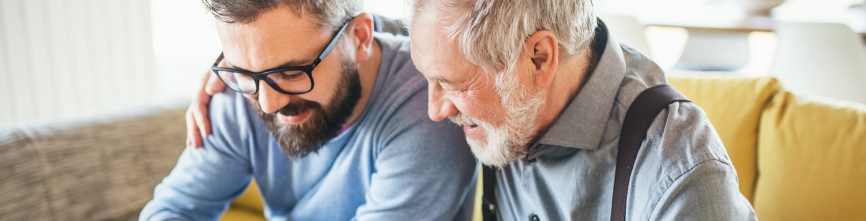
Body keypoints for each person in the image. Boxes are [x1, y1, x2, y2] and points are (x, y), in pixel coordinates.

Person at [188, 1, 759, 220]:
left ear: (538, 57)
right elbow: (353, 37)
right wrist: (258, 69)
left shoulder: (678, 180)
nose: (434, 110)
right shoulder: (509, 89)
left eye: (450, 85)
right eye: (427, 76)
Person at [140, 0, 477, 220]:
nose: (270, 104)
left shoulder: (428, 106)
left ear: (360, 38)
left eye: (291, 72)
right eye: (244, 72)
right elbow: (172, 210)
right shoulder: (242, 92)